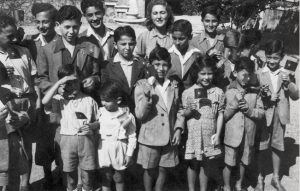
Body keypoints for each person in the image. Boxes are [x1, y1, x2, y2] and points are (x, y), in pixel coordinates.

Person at [42, 64, 99, 191]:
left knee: (87, 174)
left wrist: (92, 126)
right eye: (68, 82)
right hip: (67, 141)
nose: (71, 85)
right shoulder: (59, 100)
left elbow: (99, 121)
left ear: (80, 81)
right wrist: (59, 83)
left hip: (86, 141)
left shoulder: (89, 100)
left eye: (75, 81)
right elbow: (44, 101)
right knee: (70, 174)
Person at [0, 13, 41, 191]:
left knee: (26, 148)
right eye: (9, 36)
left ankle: (25, 186)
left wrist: (37, 100)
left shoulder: (22, 51)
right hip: (6, 104)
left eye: (15, 34)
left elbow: (34, 77)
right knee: (9, 151)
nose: (15, 38)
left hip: (26, 102)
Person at [134, 46, 184, 191]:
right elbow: (140, 115)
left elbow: (179, 109)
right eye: (157, 64)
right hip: (150, 137)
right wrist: (147, 100)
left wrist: (178, 129)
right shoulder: (142, 85)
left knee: (164, 169)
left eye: (164, 65)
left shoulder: (173, 85)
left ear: (169, 66)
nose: (161, 68)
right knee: (149, 169)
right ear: (150, 65)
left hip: (169, 137)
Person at [255, 40, 299, 191]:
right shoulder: (260, 73)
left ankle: (275, 177)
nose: (272, 61)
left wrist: (289, 84)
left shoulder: (287, 73)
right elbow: (255, 95)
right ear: (265, 56)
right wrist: (265, 96)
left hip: (279, 115)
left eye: (275, 58)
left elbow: (295, 96)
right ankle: (260, 178)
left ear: (282, 57)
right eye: (269, 57)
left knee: (278, 146)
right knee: (261, 146)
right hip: (264, 114)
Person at [181, 56, 224, 191]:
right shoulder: (188, 93)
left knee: (206, 164)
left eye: (209, 73)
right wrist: (190, 109)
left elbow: (220, 114)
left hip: (209, 134)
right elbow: (184, 114)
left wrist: (217, 134)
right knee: (193, 164)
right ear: (196, 74)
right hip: (193, 135)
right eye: (203, 73)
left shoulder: (218, 92)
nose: (206, 77)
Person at [222, 57, 264, 191]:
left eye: (249, 75)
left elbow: (261, 113)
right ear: (235, 73)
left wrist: (249, 110)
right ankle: (227, 186)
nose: (247, 78)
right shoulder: (228, 91)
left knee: (243, 161)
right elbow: (222, 116)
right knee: (229, 162)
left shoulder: (255, 93)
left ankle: (239, 185)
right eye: (244, 75)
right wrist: (234, 104)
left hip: (248, 135)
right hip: (232, 135)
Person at [97, 81, 137, 191]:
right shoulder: (100, 112)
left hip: (120, 147)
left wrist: (129, 154)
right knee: (106, 177)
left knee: (119, 177)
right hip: (104, 147)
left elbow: (132, 136)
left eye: (107, 100)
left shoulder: (125, 115)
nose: (103, 103)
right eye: (102, 99)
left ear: (118, 100)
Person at [101, 26, 145, 112]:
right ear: (115, 45)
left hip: (139, 111)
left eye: (131, 44)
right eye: (123, 44)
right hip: (117, 113)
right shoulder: (107, 66)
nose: (127, 48)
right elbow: (105, 92)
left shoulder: (141, 64)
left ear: (135, 43)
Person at [168, 19, 201, 90]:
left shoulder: (197, 55)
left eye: (181, 39)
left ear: (190, 37)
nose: (177, 42)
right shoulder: (168, 53)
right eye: (174, 38)